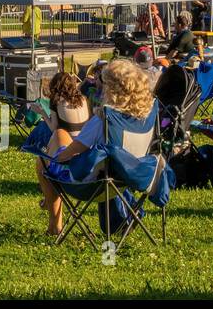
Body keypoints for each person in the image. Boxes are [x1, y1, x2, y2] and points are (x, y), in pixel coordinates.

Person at [41, 59, 156, 235]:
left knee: (45, 157)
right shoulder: (146, 118)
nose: (99, 87)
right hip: (126, 180)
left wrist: (52, 157)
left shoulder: (104, 120)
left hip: (92, 184)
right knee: (59, 138)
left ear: (111, 89)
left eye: (102, 83)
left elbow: (69, 154)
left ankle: (54, 226)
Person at [35, 71, 90, 235]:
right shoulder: (83, 100)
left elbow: (54, 127)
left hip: (66, 147)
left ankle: (47, 198)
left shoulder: (56, 101)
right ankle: (47, 198)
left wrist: (41, 112)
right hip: (84, 148)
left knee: (42, 164)